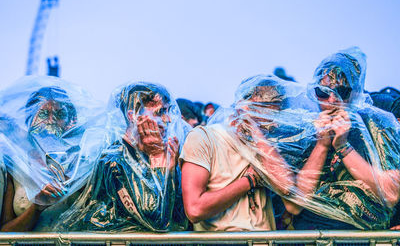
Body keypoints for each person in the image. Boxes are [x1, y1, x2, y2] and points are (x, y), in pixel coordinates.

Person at [287, 47, 400, 230]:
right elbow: (294, 205)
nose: (332, 100)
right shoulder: (306, 130)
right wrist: (321, 146)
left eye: (342, 91)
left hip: (360, 237)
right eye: (323, 92)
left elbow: (390, 193)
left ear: (356, 93)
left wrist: (343, 147)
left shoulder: (378, 124)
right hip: (310, 235)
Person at [55, 82, 188, 232]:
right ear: (134, 116)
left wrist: (172, 168)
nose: (168, 119)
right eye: (159, 112)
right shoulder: (114, 160)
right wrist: (159, 159)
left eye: (168, 112)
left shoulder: (155, 153)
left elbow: (179, 215)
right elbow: (157, 220)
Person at [181, 75, 295, 231]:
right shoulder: (204, 138)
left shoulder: (266, 145)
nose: (273, 123)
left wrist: (256, 132)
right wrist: (249, 182)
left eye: (276, 116)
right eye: (267, 115)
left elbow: (286, 187)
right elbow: (195, 209)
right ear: (244, 106)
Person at [0, 76, 104, 231]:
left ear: (71, 121)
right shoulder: (17, 166)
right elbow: (5, 232)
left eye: (60, 115)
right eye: (43, 114)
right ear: (30, 119)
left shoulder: (85, 164)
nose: (51, 121)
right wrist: (36, 207)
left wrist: (74, 183)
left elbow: (101, 219)